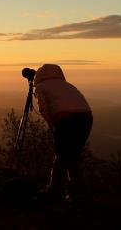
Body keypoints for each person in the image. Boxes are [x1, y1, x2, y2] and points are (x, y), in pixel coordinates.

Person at [33, 64, 93, 200]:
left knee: (61, 156)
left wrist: (52, 125)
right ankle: (76, 190)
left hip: (65, 119)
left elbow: (43, 108)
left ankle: (54, 190)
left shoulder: (41, 87)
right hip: (86, 118)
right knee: (73, 155)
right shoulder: (68, 85)